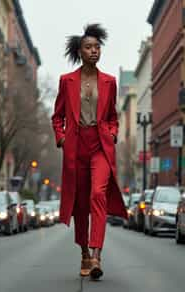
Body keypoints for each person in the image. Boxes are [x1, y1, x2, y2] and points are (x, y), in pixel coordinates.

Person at [52, 23, 127, 280]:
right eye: (89, 47)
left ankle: (96, 254)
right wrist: (60, 137)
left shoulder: (110, 82)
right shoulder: (66, 81)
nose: (94, 51)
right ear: (79, 51)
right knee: (80, 204)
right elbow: (57, 116)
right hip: (75, 148)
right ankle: (84, 252)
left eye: (97, 47)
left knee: (98, 194)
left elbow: (113, 116)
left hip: (100, 145)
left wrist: (113, 133)